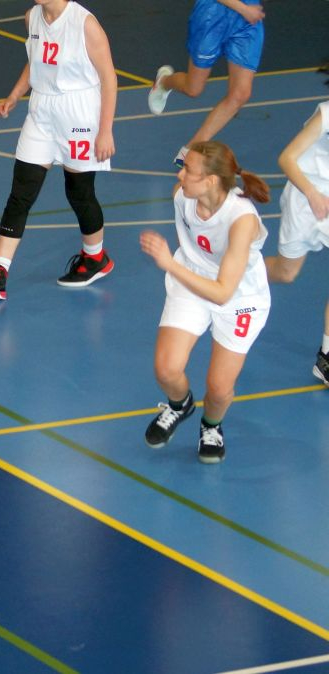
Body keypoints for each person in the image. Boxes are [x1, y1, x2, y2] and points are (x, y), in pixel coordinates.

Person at [0, 0, 117, 301]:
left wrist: (105, 130)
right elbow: (36, 60)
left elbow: (109, 78)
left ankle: (95, 257)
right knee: (21, 191)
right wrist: (14, 95)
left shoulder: (85, 24)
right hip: (42, 110)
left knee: (79, 192)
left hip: (79, 112)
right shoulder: (32, 17)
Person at [140, 141, 271, 464]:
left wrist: (168, 263)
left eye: (188, 170)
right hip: (191, 280)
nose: (180, 175)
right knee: (166, 370)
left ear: (211, 181)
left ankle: (211, 425)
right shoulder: (182, 196)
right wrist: (179, 267)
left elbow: (223, 292)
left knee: (219, 389)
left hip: (238, 297)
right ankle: (179, 405)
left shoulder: (242, 220)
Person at [263, 66, 329, 385]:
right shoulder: (326, 114)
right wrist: (313, 194)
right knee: (285, 273)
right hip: (306, 196)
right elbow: (286, 158)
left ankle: (326, 356)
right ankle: (232, 271)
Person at [147, 0, 265, 167]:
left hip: (246, 21)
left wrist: (246, 10)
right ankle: (164, 81)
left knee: (240, 94)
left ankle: (191, 150)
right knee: (193, 89)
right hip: (213, 15)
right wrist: (243, 9)